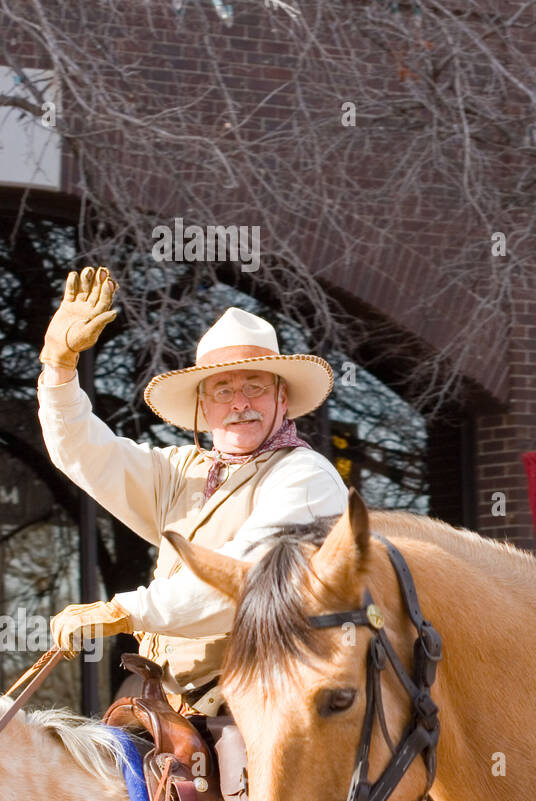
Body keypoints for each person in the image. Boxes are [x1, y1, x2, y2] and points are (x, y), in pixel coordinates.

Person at [40, 268, 347, 716]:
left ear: (283, 398)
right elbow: (84, 452)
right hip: (165, 700)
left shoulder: (305, 476)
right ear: (204, 406)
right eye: (223, 390)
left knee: (250, 778)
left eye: (254, 387)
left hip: (260, 707)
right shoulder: (181, 469)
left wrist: (122, 611)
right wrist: (58, 368)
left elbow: (242, 577)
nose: (239, 403)